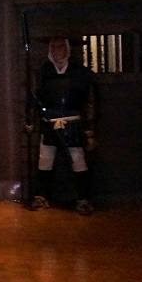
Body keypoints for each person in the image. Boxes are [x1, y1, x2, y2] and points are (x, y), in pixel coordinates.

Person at [29, 36, 96, 214]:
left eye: (60, 47)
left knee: (78, 159)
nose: (56, 51)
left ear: (67, 48)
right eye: (53, 47)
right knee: (45, 159)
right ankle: (41, 196)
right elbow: (35, 99)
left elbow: (89, 100)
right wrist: (31, 121)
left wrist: (89, 129)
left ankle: (83, 199)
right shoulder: (43, 73)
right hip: (49, 122)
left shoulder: (80, 73)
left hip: (72, 122)